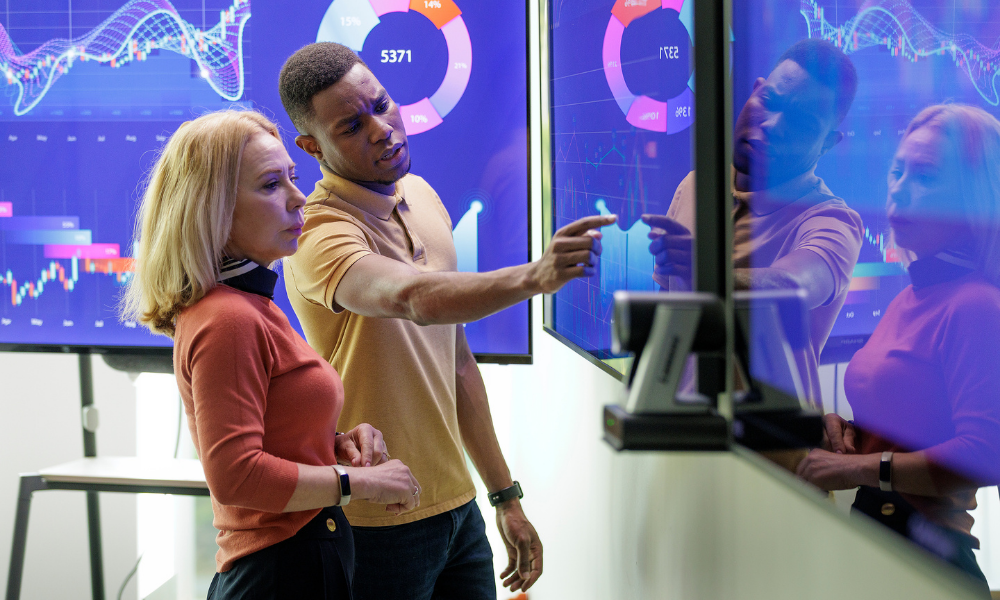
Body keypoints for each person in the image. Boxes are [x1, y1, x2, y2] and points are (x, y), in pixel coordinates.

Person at [278, 42, 615, 598]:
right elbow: (412, 299)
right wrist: (535, 277)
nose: (382, 129)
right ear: (312, 147)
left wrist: (504, 496)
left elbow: (458, 365)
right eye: (352, 126)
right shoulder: (319, 234)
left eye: (382, 105)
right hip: (376, 523)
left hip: (458, 511)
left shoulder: (421, 194)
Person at [122, 109, 421, 599]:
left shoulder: (247, 304)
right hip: (281, 572)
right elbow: (237, 476)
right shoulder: (229, 318)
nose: (298, 198)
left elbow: (273, 433)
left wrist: (334, 444)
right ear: (212, 211)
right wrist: (357, 483)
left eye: (292, 177)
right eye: (269, 185)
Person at [796, 104, 1000, 595]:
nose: (899, 186)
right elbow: (907, 420)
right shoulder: (913, 294)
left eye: (925, 174)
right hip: (881, 537)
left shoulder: (976, 305)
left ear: (974, 196)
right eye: (897, 169)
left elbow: (985, 453)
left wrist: (854, 467)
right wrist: (847, 432)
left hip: (926, 554)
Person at [643, 38, 864, 406]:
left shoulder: (833, 221)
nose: (773, 125)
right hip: (680, 425)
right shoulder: (696, 185)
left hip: (767, 447)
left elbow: (793, 285)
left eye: (802, 123)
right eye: (771, 102)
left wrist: (710, 272)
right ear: (755, 91)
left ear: (828, 143)